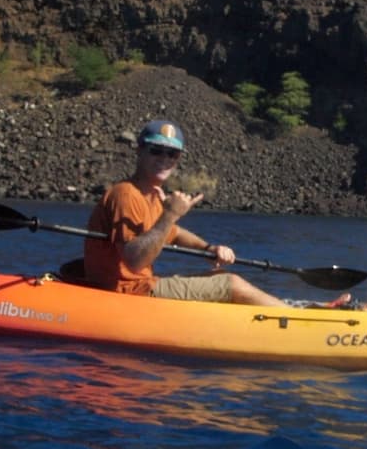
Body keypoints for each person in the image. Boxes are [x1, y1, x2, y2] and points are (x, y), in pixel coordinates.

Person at [83, 119, 353, 308]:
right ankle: (297, 320)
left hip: (142, 285)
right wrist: (169, 216)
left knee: (217, 280)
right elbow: (133, 261)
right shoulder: (126, 194)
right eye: (157, 150)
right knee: (231, 284)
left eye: (172, 154)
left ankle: (303, 309)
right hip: (128, 290)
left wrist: (208, 246)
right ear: (140, 150)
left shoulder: (153, 195)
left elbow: (174, 234)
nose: (164, 159)